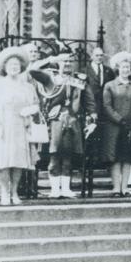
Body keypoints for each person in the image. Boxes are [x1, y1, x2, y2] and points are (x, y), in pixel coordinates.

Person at [0, 46, 43, 206]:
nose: (14, 67)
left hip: (20, 127)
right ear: (4, 67)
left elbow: (36, 105)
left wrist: (29, 110)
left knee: (18, 161)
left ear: (22, 67)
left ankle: (15, 191)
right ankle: (4, 191)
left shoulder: (28, 86)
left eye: (17, 65)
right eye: (11, 65)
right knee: (4, 161)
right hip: (3, 127)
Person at [31, 53, 94, 199]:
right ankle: (54, 189)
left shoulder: (79, 79)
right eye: (64, 61)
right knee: (54, 156)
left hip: (72, 121)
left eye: (70, 61)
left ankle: (66, 188)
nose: (67, 63)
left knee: (68, 157)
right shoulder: (50, 78)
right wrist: (51, 59)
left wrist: (93, 117)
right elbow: (33, 70)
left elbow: (89, 101)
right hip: (54, 121)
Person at [101, 52, 131, 196]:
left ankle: (125, 187)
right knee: (115, 156)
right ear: (118, 68)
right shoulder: (110, 86)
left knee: (128, 156)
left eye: (128, 67)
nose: (126, 70)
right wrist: (119, 119)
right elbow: (107, 106)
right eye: (123, 67)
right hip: (115, 127)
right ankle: (116, 187)